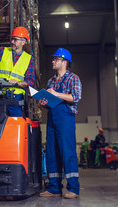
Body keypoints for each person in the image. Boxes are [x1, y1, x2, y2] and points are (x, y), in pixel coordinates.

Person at [38, 48, 82, 199]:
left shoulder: (73, 78)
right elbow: (50, 102)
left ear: (64, 62)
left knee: (67, 153)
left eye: (56, 59)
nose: (53, 61)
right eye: (53, 59)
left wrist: (56, 94)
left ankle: (74, 189)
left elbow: (75, 97)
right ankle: (54, 188)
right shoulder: (51, 80)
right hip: (52, 117)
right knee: (51, 152)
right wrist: (43, 102)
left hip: (66, 118)